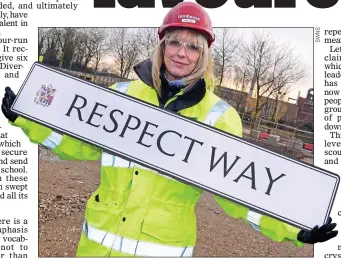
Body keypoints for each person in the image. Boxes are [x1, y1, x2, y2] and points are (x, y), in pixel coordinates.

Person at [1, 2, 338, 257]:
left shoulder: (219, 117)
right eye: (175, 42)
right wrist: (24, 117)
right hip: (95, 247)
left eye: (193, 47)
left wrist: (297, 226)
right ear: (161, 44)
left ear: (204, 54)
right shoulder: (122, 96)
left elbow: (241, 191)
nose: (182, 53)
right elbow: (77, 144)